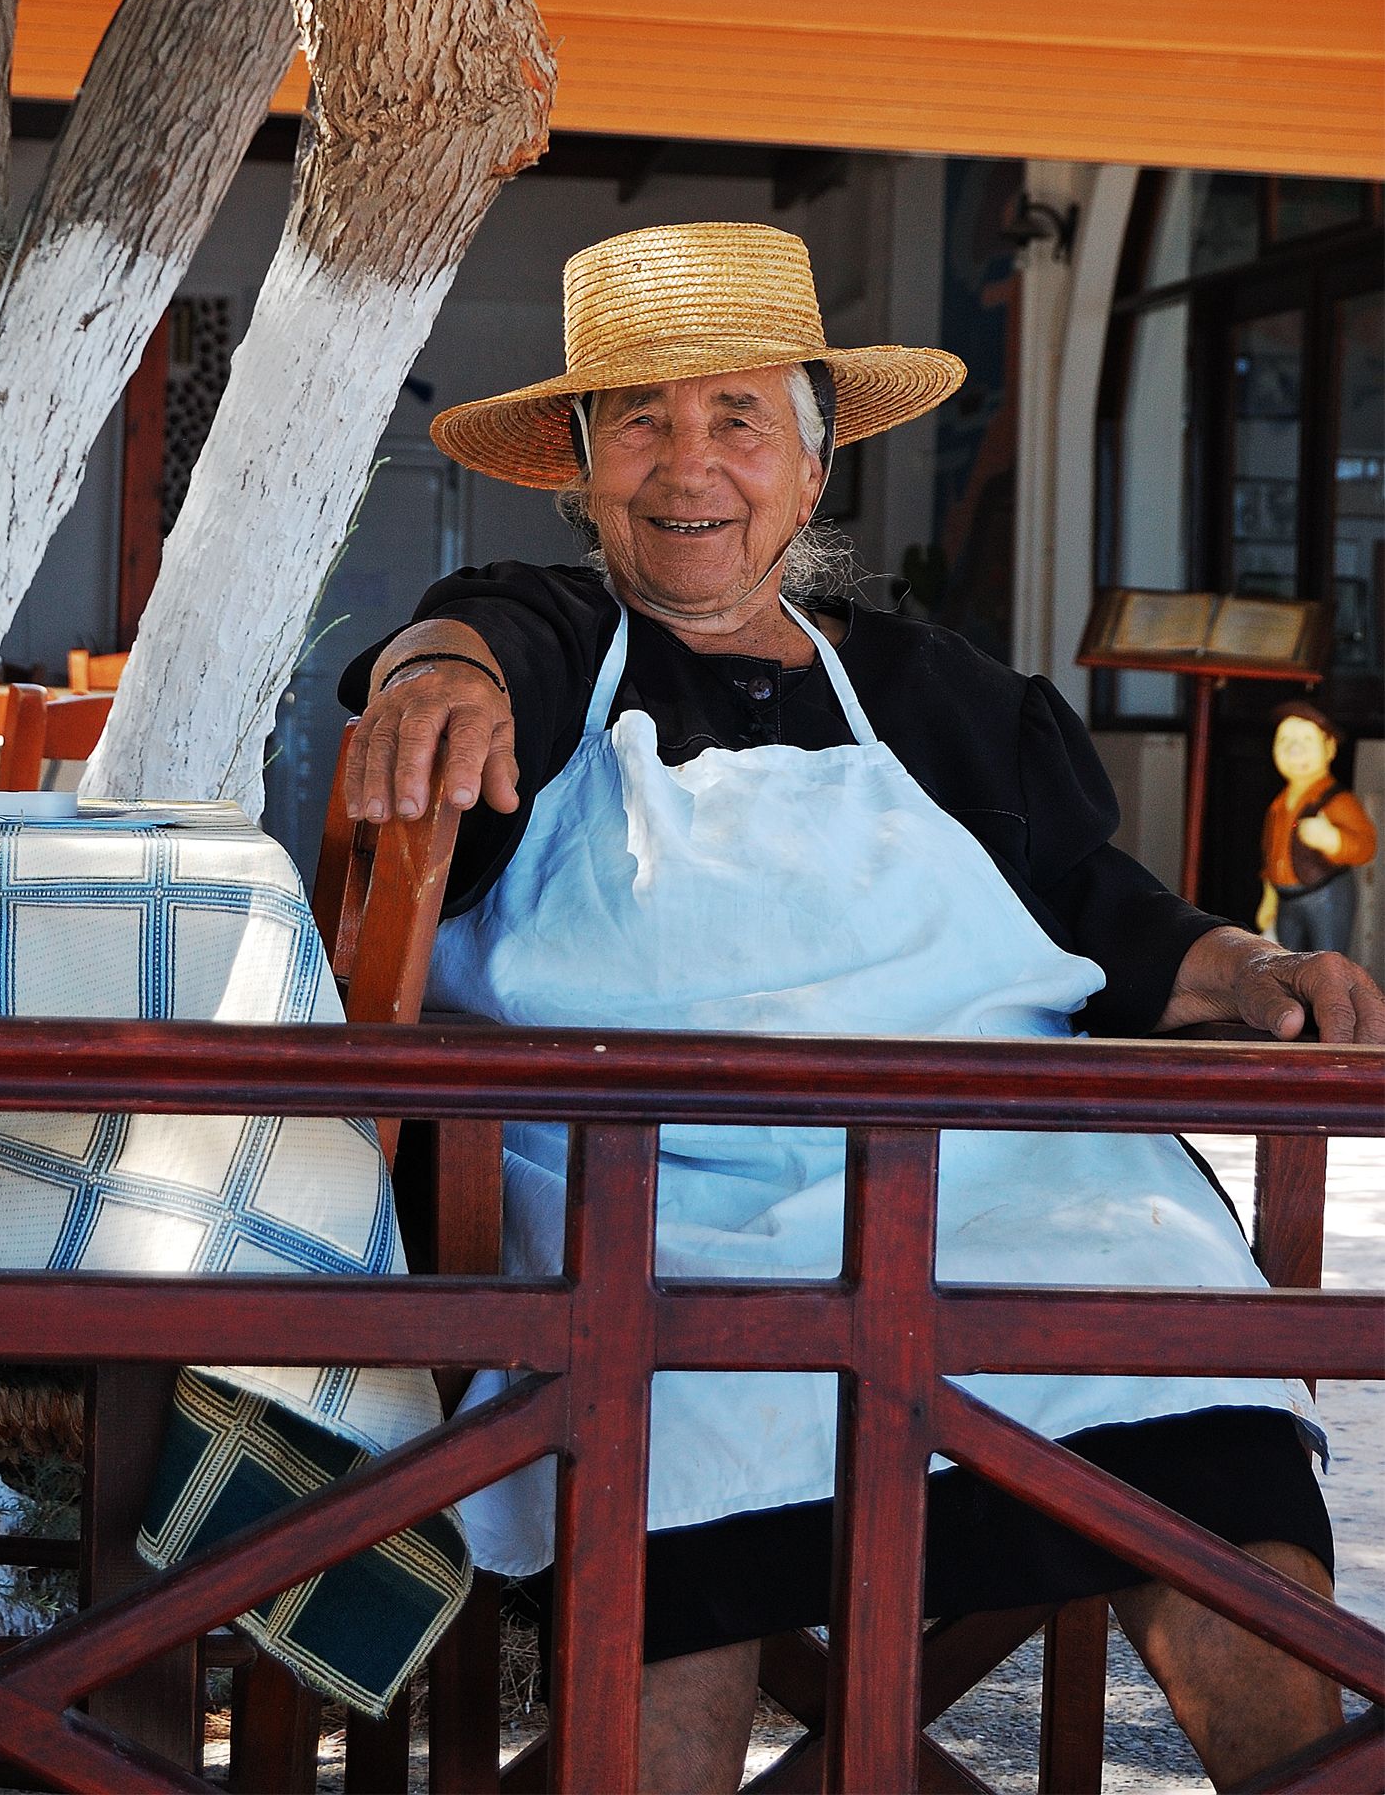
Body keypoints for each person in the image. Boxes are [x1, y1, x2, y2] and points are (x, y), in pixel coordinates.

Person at [340, 223, 1383, 1795]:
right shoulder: (546, 642)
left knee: (1194, 1401)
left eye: (739, 418)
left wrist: (1250, 966)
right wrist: (433, 672)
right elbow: (464, 637)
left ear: (814, 467)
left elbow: (1099, 912)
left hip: (1000, 1178)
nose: (691, 464)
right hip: (664, 1198)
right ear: (580, 466)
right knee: (666, 1456)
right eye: (642, 419)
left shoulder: (930, 690)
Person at [1257, 700, 1376, 955]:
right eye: (1285, 740)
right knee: (1286, 963)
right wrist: (1270, 898)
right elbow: (1272, 855)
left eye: (1306, 741)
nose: (1294, 750)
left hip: (1326, 896)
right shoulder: (1279, 804)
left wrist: (1333, 840)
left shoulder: (1338, 801)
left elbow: (1366, 846)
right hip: (1286, 900)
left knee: (1327, 962)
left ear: (1329, 747)